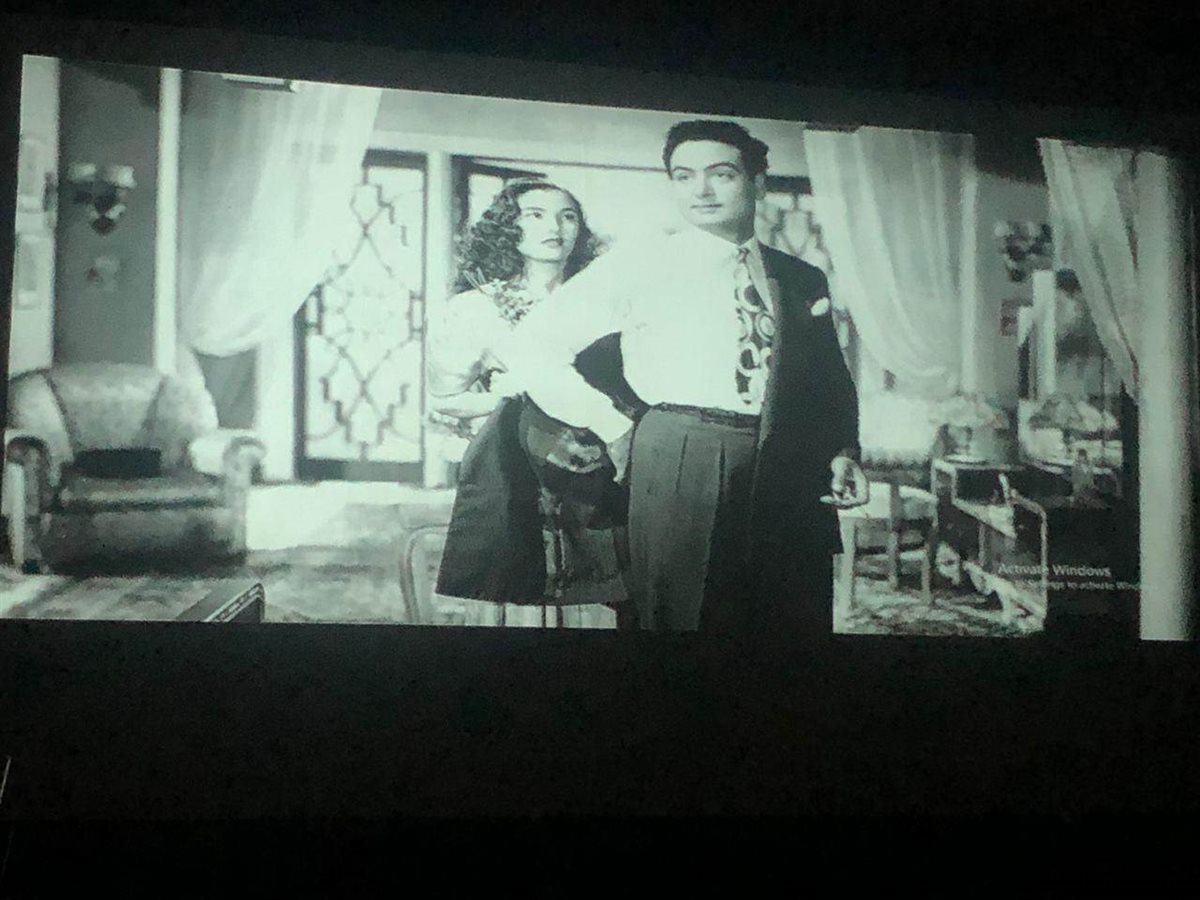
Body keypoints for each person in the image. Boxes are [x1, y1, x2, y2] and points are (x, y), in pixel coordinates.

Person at [508, 120, 869, 638]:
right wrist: (612, 426)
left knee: (792, 619)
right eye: (684, 176)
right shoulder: (642, 263)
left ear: (757, 182)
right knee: (684, 618)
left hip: (789, 464)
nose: (701, 190)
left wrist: (843, 450)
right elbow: (533, 346)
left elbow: (828, 377)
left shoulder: (799, 277)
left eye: (721, 174)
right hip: (683, 456)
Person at [427, 177, 639, 625]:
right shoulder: (476, 308)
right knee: (524, 599)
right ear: (509, 227)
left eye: (567, 216)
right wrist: (516, 395)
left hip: (604, 469)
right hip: (518, 473)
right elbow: (445, 400)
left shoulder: (607, 302)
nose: (554, 227)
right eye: (535, 215)